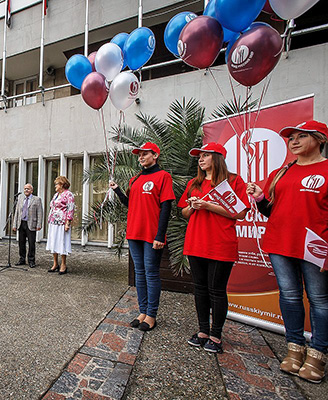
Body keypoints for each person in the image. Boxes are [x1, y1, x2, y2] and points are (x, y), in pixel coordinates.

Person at [247, 120, 328, 383]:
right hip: (280, 243)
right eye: (291, 137)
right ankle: (295, 349)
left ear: (320, 139)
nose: (293, 141)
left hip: (315, 248)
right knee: (290, 297)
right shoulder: (281, 172)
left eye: (301, 136)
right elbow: (271, 211)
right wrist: (260, 198)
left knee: (319, 300)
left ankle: (317, 354)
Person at [177, 143, 249, 353]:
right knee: (199, 289)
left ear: (217, 158)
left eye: (205, 155)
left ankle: (216, 335)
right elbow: (184, 213)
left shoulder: (234, 181)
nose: (200, 159)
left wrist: (208, 206)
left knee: (216, 290)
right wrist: (193, 206)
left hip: (221, 243)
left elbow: (240, 213)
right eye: (199, 156)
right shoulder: (194, 183)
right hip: (196, 242)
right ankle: (202, 331)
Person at [109, 142, 175, 332]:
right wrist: (117, 190)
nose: (141, 157)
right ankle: (142, 311)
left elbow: (166, 207)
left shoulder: (163, 176)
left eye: (145, 154)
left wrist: (160, 235)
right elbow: (131, 204)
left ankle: (151, 314)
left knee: (151, 272)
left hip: (152, 233)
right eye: (139, 155)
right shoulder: (135, 179)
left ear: (155, 155)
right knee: (139, 272)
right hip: (134, 232)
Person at [46, 176, 75, 275]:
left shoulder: (68, 194)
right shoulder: (56, 195)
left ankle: (63, 264)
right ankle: (55, 264)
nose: (55, 186)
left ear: (62, 185)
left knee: (61, 242)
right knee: (53, 242)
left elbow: (70, 209)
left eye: (56, 184)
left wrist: (68, 223)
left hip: (62, 223)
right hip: (53, 222)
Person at [12, 183, 44, 268]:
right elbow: (17, 212)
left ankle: (31, 260)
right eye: (25, 188)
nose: (26, 190)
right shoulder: (20, 198)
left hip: (31, 224)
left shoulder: (37, 199)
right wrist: (14, 224)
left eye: (28, 189)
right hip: (21, 223)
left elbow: (40, 213)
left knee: (31, 243)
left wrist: (39, 224)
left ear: (32, 190)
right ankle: (22, 259)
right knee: (21, 243)